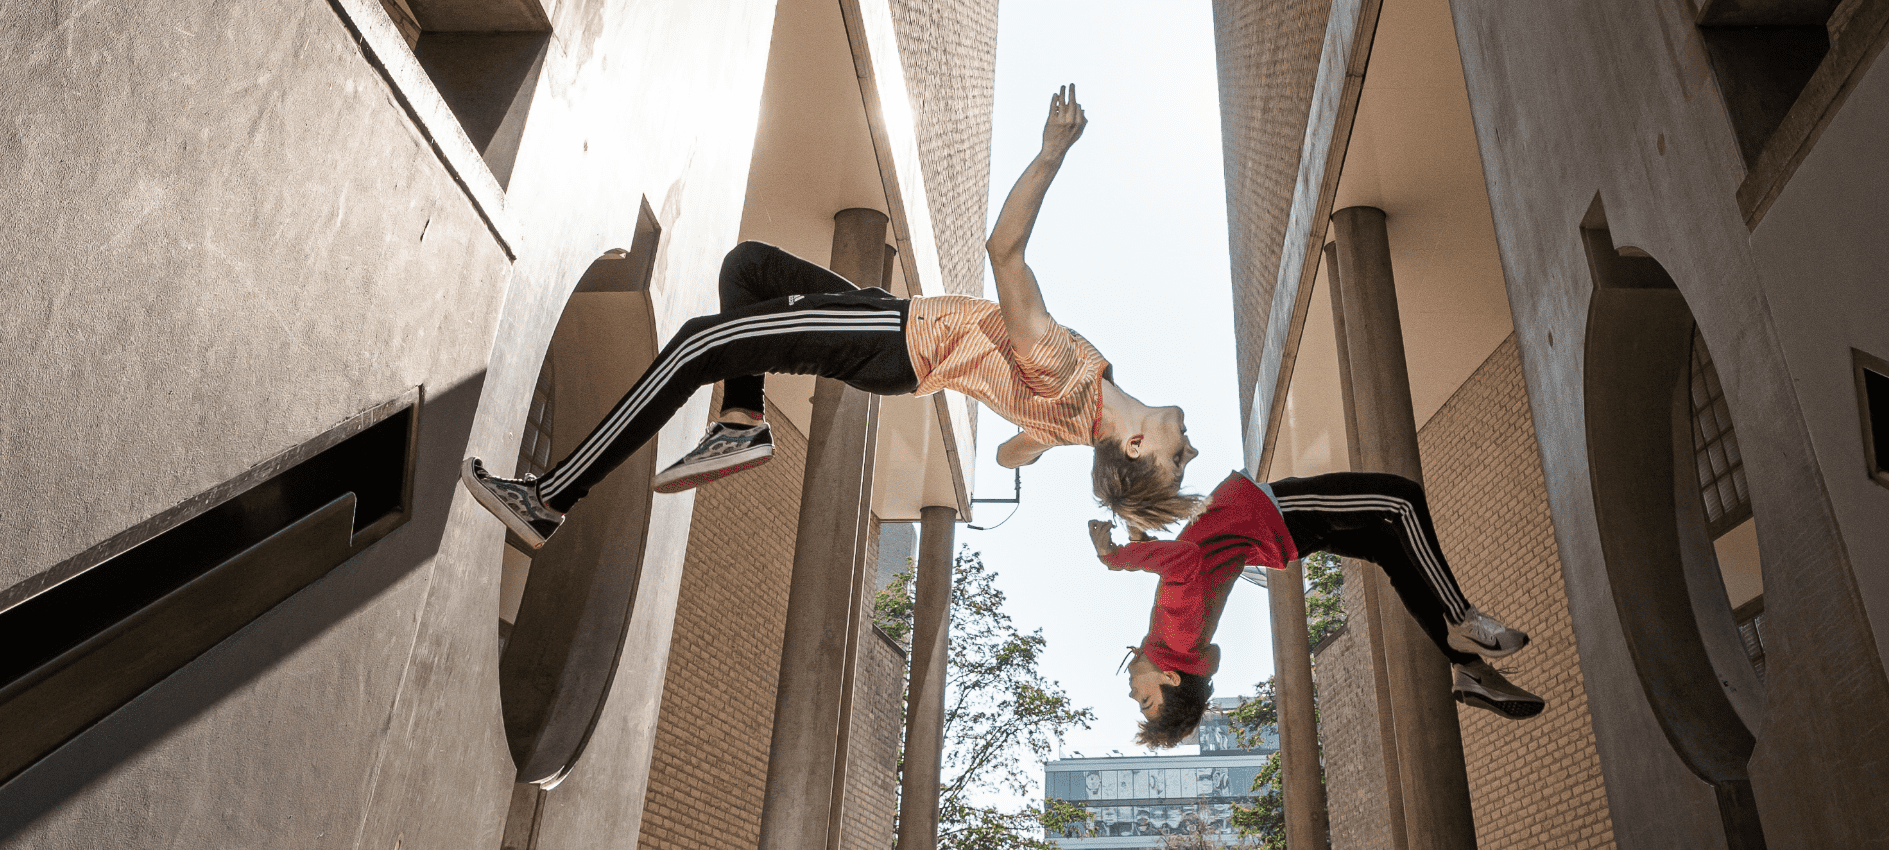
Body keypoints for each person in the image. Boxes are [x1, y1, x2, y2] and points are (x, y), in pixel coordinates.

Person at [462, 85, 1199, 547]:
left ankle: (549, 498)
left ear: (1133, 444)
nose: (1188, 445)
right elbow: (1008, 456)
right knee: (747, 268)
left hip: (897, 341)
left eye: (1176, 455)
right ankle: (741, 425)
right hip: (893, 325)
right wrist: (1048, 443)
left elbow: (1005, 252)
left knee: (699, 345)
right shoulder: (1076, 417)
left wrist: (1049, 157)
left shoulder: (1071, 380)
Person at [1089, 470, 1545, 747]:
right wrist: (1116, 560)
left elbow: (1193, 565)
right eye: (1146, 700)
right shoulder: (1176, 637)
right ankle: (1460, 619)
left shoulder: (1176, 643)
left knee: (1388, 549)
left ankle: (1471, 670)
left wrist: (1140, 544)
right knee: (1400, 500)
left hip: (1280, 535)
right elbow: (1186, 563)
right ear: (1170, 679)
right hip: (1279, 514)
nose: (1132, 693)